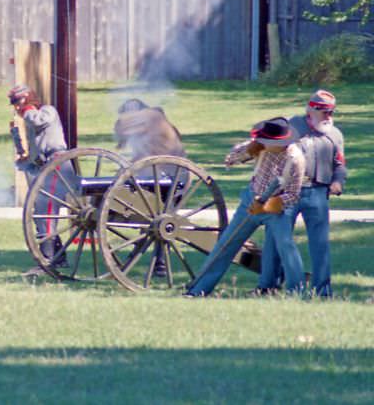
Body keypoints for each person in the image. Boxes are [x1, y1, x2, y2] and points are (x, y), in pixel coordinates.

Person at [185, 117, 306, 297]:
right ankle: (198, 289)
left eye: (266, 141)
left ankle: (297, 292)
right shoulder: (260, 146)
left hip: (276, 209)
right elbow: (232, 157)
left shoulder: (295, 159)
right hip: (250, 200)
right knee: (225, 245)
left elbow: (292, 195)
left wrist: (266, 207)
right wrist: (248, 150)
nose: (262, 142)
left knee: (286, 246)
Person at [270, 89, 346, 297]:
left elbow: (340, 164)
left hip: (318, 192)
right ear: (310, 109)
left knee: (320, 245)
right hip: (287, 192)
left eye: (331, 112)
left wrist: (338, 182)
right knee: (281, 240)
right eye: (324, 112)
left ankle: (323, 291)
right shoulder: (291, 126)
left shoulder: (335, 135)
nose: (329, 116)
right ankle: (273, 286)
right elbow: (273, 155)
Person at [113, 98, 186, 276]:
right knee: (150, 218)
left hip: (171, 179)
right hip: (159, 178)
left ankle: (160, 264)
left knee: (160, 220)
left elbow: (122, 125)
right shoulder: (152, 123)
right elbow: (140, 157)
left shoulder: (152, 116)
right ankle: (140, 257)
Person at [8, 85, 71, 275]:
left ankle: (48, 261)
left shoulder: (46, 111)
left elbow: (39, 121)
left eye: (17, 102)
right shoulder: (29, 121)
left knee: (46, 208)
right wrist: (24, 159)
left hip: (57, 163)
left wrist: (27, 110)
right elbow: (34, 155)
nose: (16, 107)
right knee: (40, 209)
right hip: (46, 166)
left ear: (27, 99)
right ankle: (57, 257)